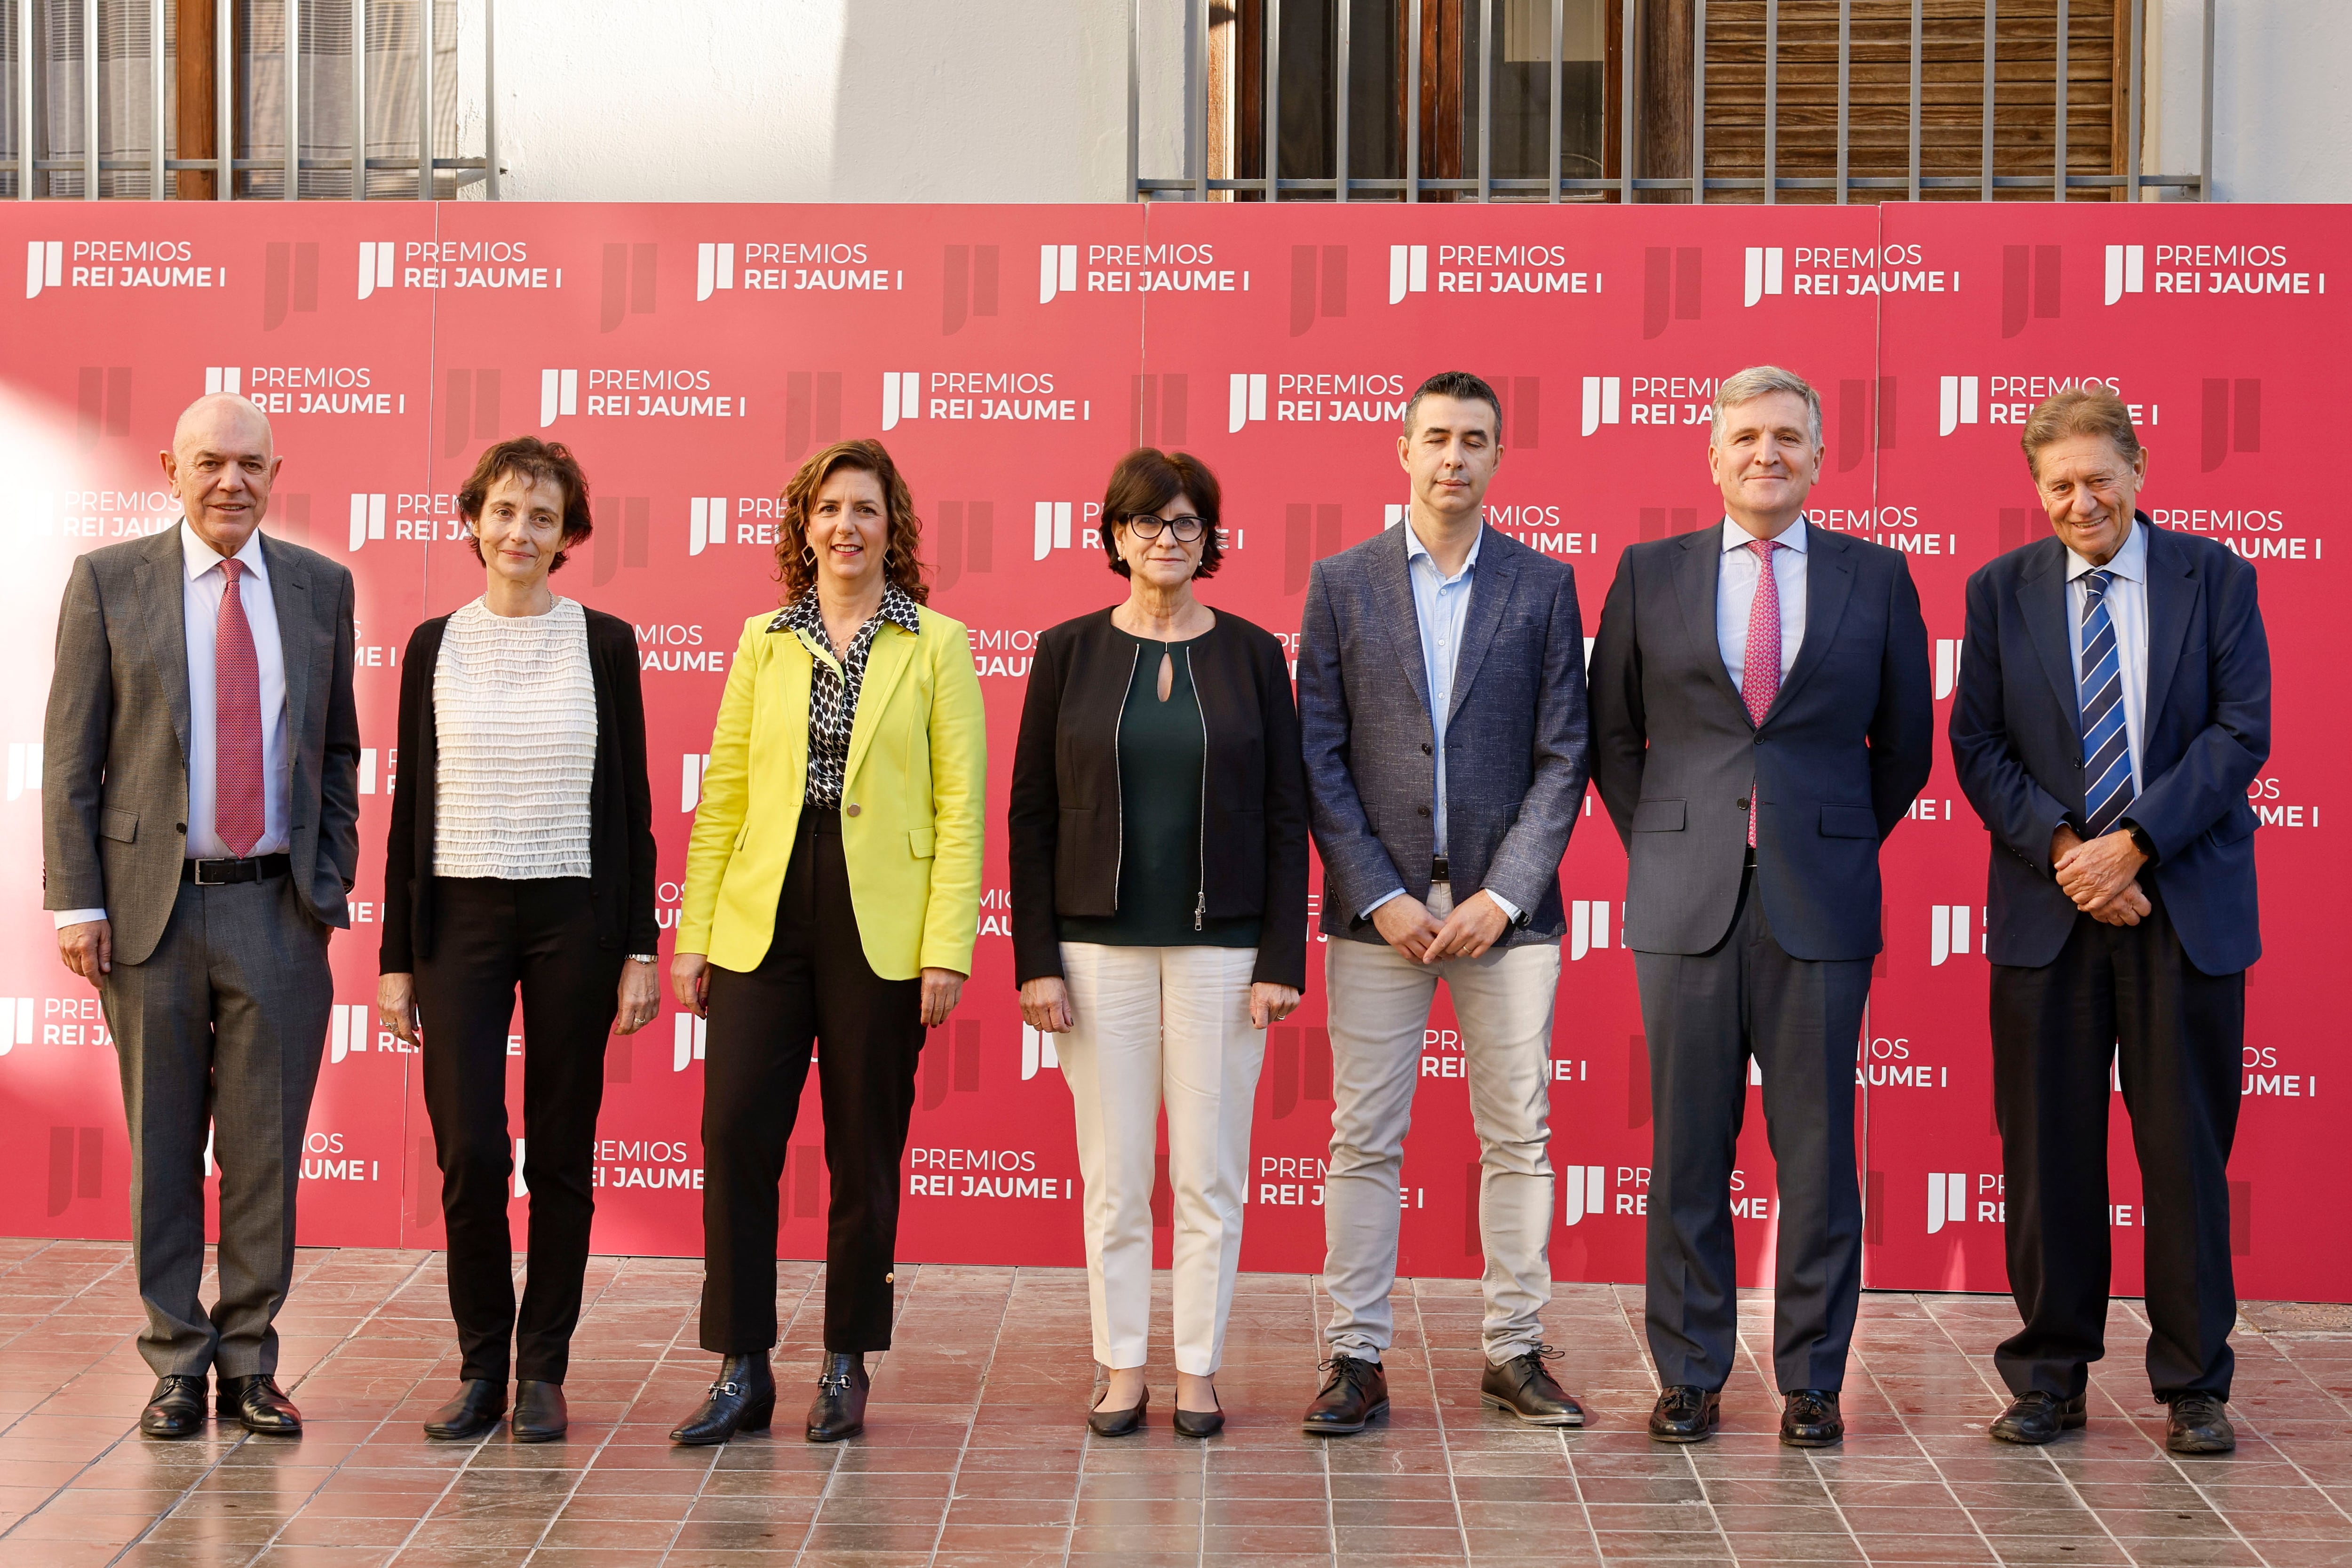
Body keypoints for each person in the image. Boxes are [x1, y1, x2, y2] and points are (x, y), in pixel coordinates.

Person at [1588, 365, 1932, 1448]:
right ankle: (1688, 1371)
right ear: (1712, 452)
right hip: (1682, 898)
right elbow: (1611, 735)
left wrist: (1819, 840)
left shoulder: (1876, 578)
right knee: (1689, 1146)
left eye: (1788, 435)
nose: (1765, 453)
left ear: (1819, 456)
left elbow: (1906, 747)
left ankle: (1813, 1378)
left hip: (1819, 899)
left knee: (1820, 1154)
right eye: (1745, 435)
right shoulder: (1649, 573)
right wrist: (1674, 837)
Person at [1950, 388, 2269, 1456]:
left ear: (2139, 466)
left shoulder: (2216, 577)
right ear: (2035, 490)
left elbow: (2239, 731)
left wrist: (2132, 843)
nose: (2079, 499)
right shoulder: (1998, 592)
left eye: (2097, 477)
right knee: (2048, 1156)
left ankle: (2193, 1384)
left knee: (2183, 1152)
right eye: (2058, 484)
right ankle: (2047, 1378)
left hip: (2181, 904)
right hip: (2049, 912)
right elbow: (1977, 746)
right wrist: (2065, 854)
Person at [43, 394, 360, 1440]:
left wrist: (329, 875)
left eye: (251, 464)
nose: (232, 481)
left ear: (278, 473)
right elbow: (71, 759)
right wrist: (78, 900)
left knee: (266, 1151)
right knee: (166, 1147)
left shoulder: (320, 588)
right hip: (150, 915)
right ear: (172, 470)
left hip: (278, 908)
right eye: (211, 462)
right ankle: (177, 1361)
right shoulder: (109, 581)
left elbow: (341, 753)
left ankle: (252, 1361)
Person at [667, 438, 985, 1446]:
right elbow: (721, 797)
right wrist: (694, 935)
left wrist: (947, 946)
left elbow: (958, 806)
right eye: (829, 509)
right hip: (764, 911)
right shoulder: (763, 639)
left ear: (895, 529)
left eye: (867, 509)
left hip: (880, 922)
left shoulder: (935, 642)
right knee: (735, 1138)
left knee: (863, 1146)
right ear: (802, 527)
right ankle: (741, 1364)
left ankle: (846, 1358)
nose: (847, 526)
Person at [1295, 371, 1591, 1435]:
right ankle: (1354, 1356)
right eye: (1436, 438)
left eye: (1474, 439)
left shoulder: (1545, 585)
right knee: (1365, 1137)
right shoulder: (1341, 582)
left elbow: (1566, 757)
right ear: (1403, 448)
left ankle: (1514, 1349)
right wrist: (1376, 892)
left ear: (1499, 455)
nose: (1453, 457)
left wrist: (1501, 895)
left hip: (1504, 922)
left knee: (1519, 1135)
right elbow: (1317, 754)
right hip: (1378, 915)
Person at [1009, 449, 1310, 1439]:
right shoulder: (1067, 652)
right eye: (1145, 524)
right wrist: (1036, 958)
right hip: (1096, 954)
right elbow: (1032, 814)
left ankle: (1198, 1367)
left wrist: (1277, 958)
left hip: (1222, 954)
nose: (1166, 540)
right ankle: (1122, 1363)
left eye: (1184, 524)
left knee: (1210, 1172)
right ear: (1112, 538)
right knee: (1115, 1170)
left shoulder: (1255, 655)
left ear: (1209, 538)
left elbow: (1283, 815)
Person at [376, 438, 661, 1444]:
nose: (519, 532)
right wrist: (395, 958)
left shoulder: (606, 643)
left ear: (567, 534)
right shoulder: (432, 644)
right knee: (469, 1151)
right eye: (503, 511)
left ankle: (544, 1369)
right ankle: (480, 1366)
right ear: (472, 521)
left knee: (564, 1153)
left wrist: (640, 944)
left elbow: (631, 803)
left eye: (542, 517)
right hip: (457, 917)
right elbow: (413, 803)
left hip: (574, 918)